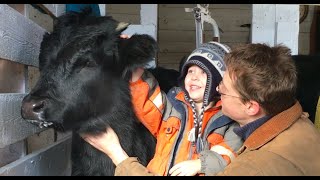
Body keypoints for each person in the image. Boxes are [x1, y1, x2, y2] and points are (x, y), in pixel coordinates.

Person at [83, 43, 320, 176]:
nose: (217, 88)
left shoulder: (250, 167)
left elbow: (228, 155)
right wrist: (134, 71)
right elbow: (152, 106)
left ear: (251, 106)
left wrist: (117, 154)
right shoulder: (300, 125)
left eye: (223, 88)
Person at [82, 41, 243, 176]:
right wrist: (132, 63)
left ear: (218, 81)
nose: (194, 76)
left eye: (203, 72)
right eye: (190, 71)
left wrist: (200, 164)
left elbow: (229, 153)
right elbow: (148, 99)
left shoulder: (226, 120)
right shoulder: (175, 107)